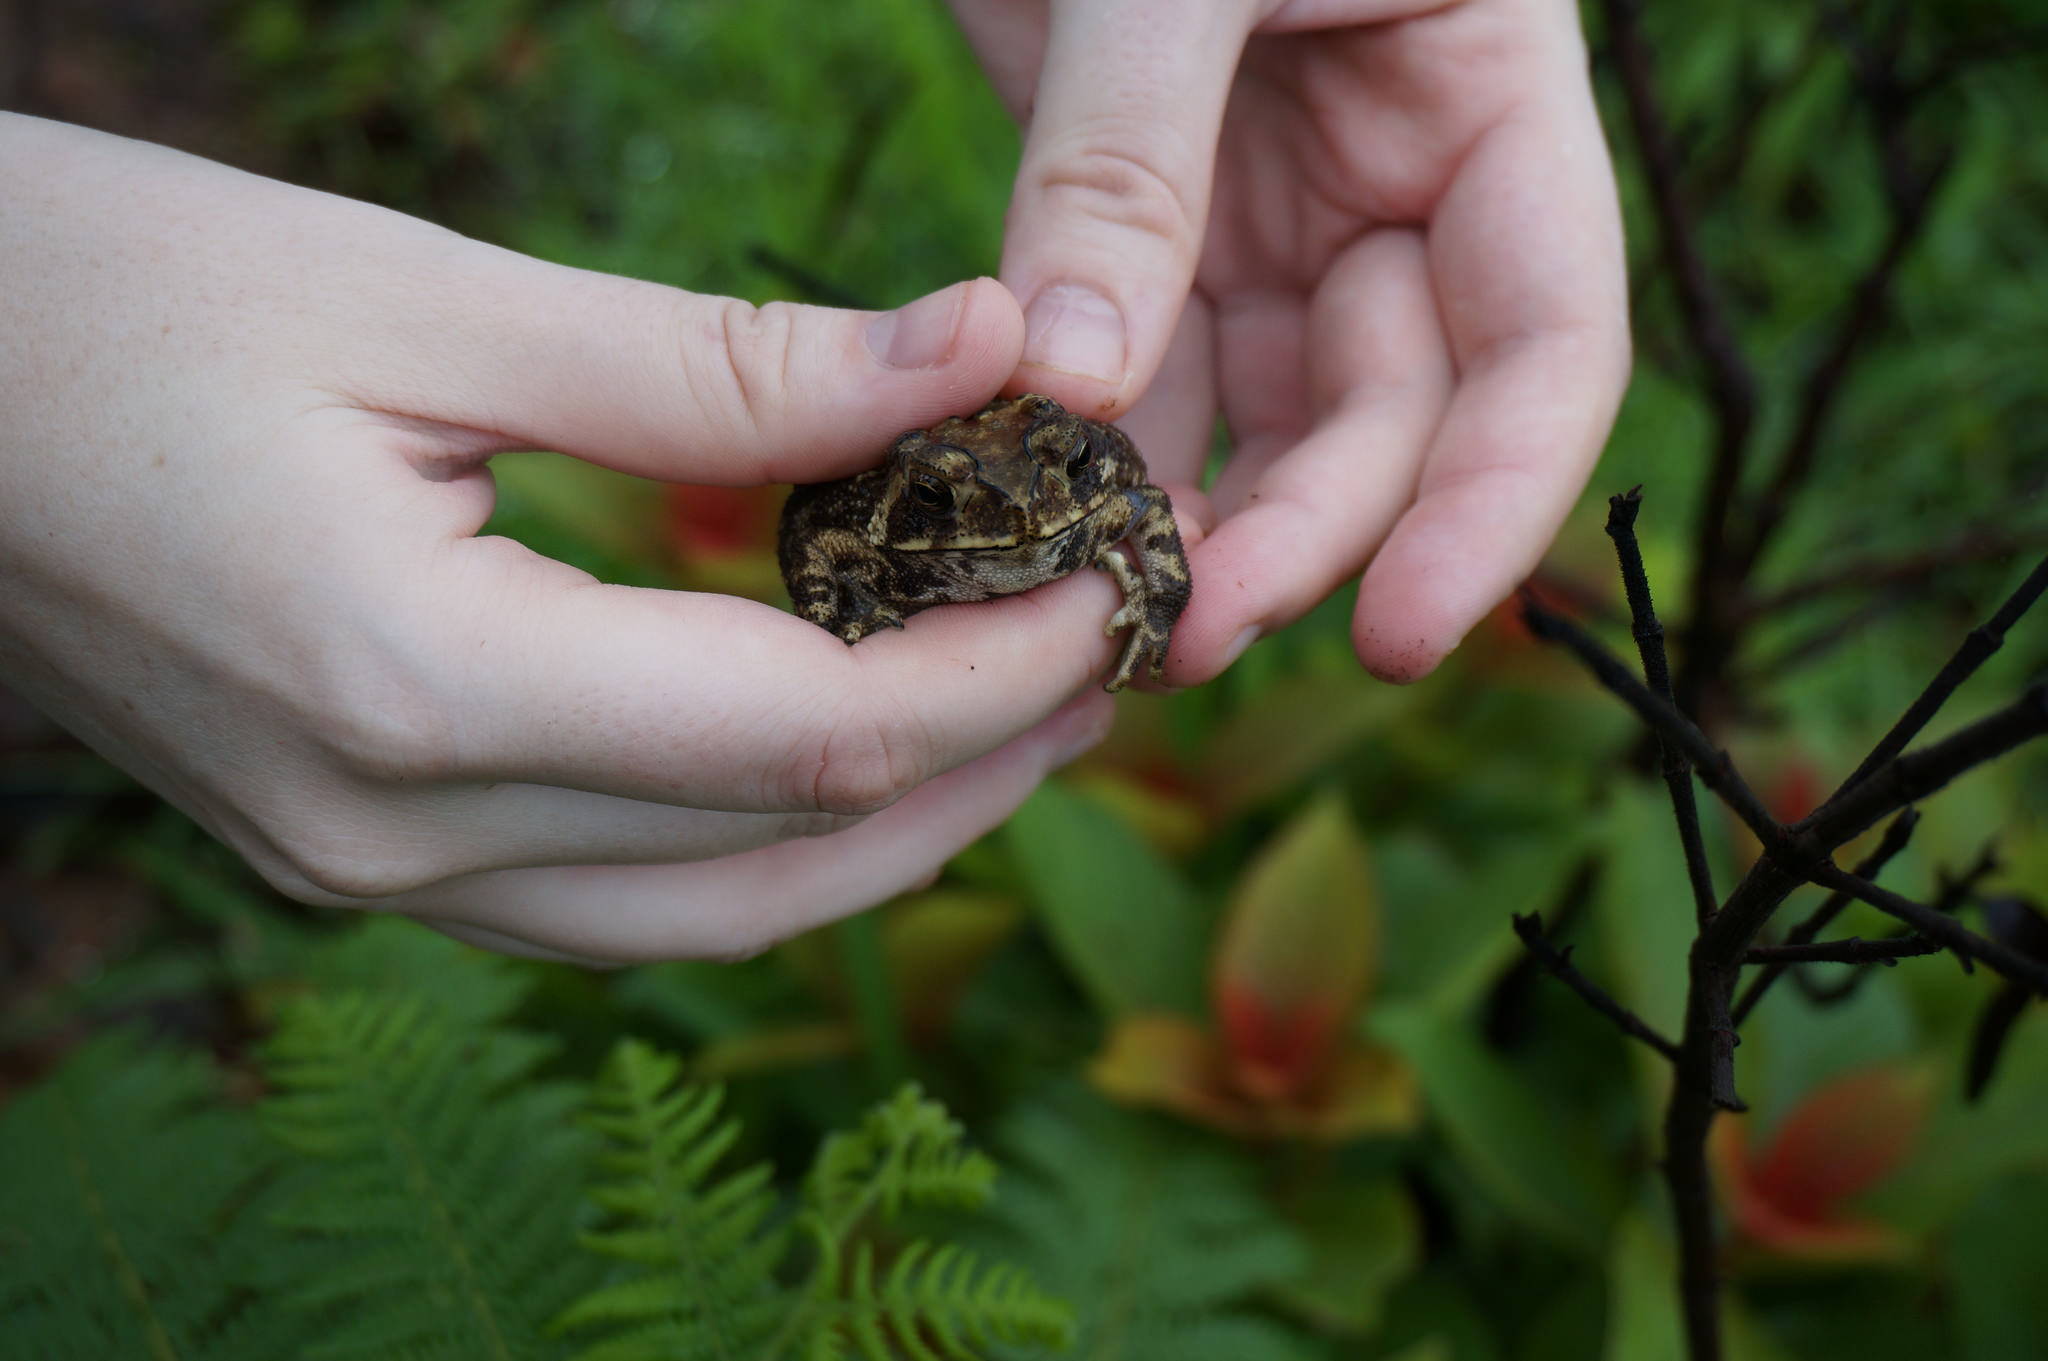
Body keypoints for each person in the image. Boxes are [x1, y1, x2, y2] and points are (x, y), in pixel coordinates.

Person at [0, 0, 1628, 964]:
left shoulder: (1077, 476)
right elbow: (828, 544)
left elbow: (1131, 516)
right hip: (890, 506)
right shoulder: (922, 504)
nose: (1019, 509)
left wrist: (1139, 594)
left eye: (1037, 485)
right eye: (991, 492)